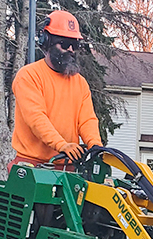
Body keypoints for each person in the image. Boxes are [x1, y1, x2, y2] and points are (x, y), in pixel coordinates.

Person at [9, 10, 102, 172]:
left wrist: (95, 146)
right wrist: (61, 145)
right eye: (65, 44)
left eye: (75, 44)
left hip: (67, 166)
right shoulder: (29, 76)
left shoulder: (80, 83)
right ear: (47, 42)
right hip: (32, 166)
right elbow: (36, 118)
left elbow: (87, 120)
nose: (71, 49)